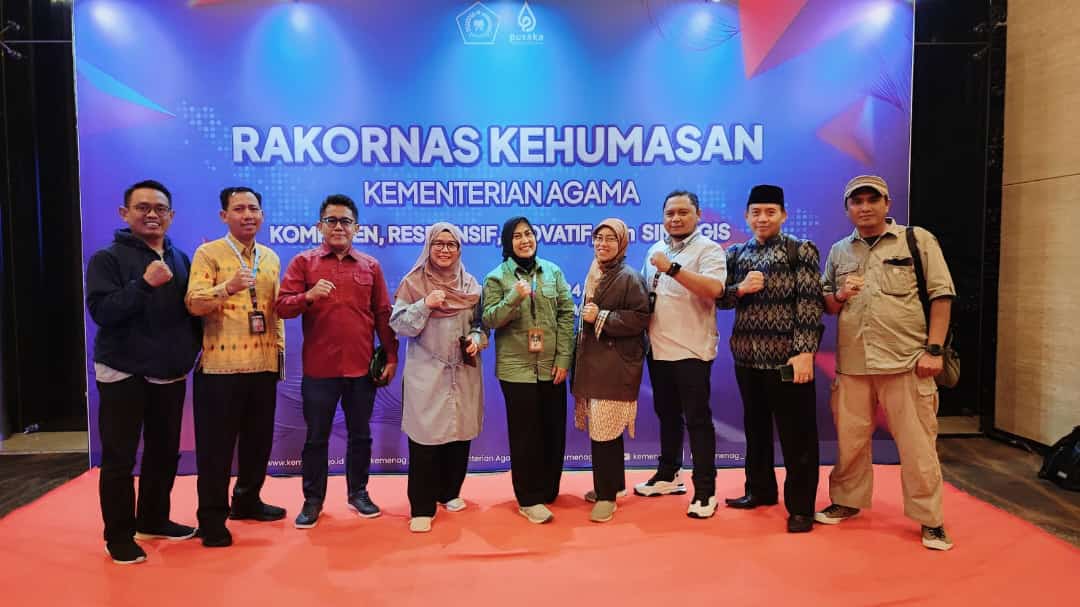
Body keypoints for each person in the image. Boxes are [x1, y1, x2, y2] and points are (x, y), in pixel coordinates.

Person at [817, 175, 956, 551]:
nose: (865, 207)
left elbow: (941, 296)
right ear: (847, 208)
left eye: (872, 200)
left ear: (887, 204)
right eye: (857, 201)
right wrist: (840, 294)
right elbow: (827, 304)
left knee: (918, 446)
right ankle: (847, 500)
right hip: (853, 365)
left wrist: (934, 350)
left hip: (906, 361)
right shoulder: (839, 251)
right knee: (850, 443)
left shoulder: (916, 240)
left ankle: (931, 519)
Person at [85, 180, 202, 564]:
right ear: (125, 213)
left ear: (171, 215)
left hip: (168, 372)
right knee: (119, 457)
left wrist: (190, 351)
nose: (152, 214)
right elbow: (103, 312)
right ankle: (118, 535)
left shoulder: (181, 258)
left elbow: (190, 313)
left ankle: (153, 519)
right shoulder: (107, 259)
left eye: (160, 208)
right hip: (123, 371)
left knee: (164, 452)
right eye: (143, 207)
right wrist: (144, 285)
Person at [275, 194, 398, 529]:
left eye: (345, 221)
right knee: (316, 438)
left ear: (356, 227)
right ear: (320, 226)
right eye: (332, 220)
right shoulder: (303, 263)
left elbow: (383, 314)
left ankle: (358, 493)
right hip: (319, 370)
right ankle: (313, 500)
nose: (339, 227)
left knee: (361, 435)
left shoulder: (371, 266)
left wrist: (391, 356)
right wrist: (308, 296)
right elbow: (282, 306)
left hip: (361, 370)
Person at [716, 185, 823, 533]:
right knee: (756, 429)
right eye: (756, 212)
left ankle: (801, 508)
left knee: (797, 435)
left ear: (783, 215)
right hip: (746, 359)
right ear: (746, 216)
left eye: (770, 212)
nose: (762, 218)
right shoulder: (735, 253)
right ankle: (760, 491)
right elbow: (720, 299)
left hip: (788, 362)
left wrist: (804, 352)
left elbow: (810, 303)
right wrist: (741, 288)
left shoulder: (799, 250)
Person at [185, 186, 286, 547]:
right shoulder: (208, 253)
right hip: (220, 368)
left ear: (262, 215)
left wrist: (278, 357)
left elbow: (275, 312)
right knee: (216, 449)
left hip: (262, 365)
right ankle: (212, 518)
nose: (247, 215)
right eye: (239, 208)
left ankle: (247, 500)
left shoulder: (270, 257)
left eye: (253, 208)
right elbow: (193, 303)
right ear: (223, 215)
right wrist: (227, 287)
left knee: (258, 443)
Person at [635, 190, 727, 519]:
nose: (675, 218)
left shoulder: (709, 250)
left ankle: (705, 490)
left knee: (697, 421)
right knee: (667, 415)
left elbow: (715, 289)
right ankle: (669, 474)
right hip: (657, 348)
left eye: (683, 212)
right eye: (670, 213)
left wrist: (673, 269)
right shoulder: (655, 250)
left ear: (698, 215)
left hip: (692, 349)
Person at [390, 222, 487, 533]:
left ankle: (449, 492)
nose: (445, 250)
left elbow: (480, 324)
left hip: (463, 370)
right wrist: (424, 304)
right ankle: (422, 506)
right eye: (439, 244)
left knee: (459, 432)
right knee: (425, 437)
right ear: (428, 247)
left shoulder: (470, 284)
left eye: (451, 244)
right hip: (427, 372)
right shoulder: (413, 282)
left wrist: (477, 338)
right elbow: (399, 324)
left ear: (459, 249)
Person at [482, 216, 575, 524]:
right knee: (526, 436)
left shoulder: (552, 271)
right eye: (517, 236)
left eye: (529, 234)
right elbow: (490, 319)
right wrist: (513, 298)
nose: (525, 240)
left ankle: (548, 490)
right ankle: (528, 498)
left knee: (553, 431)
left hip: (551, 366)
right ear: (508, 243)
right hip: (517, 369)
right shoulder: (496, 278)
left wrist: (564, 359)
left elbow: (566, 315)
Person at [570, 218, 650, 523]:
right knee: (605, 431)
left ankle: (606, 498)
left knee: (604, 432)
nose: (602, 244)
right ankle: (614, 486)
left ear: (622, 243)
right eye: (598, 238)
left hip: (615, 366)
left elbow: (641, 318)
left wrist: (602, 316)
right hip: (597, 365)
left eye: (610, 239)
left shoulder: (629, 277)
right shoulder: (597, 271)